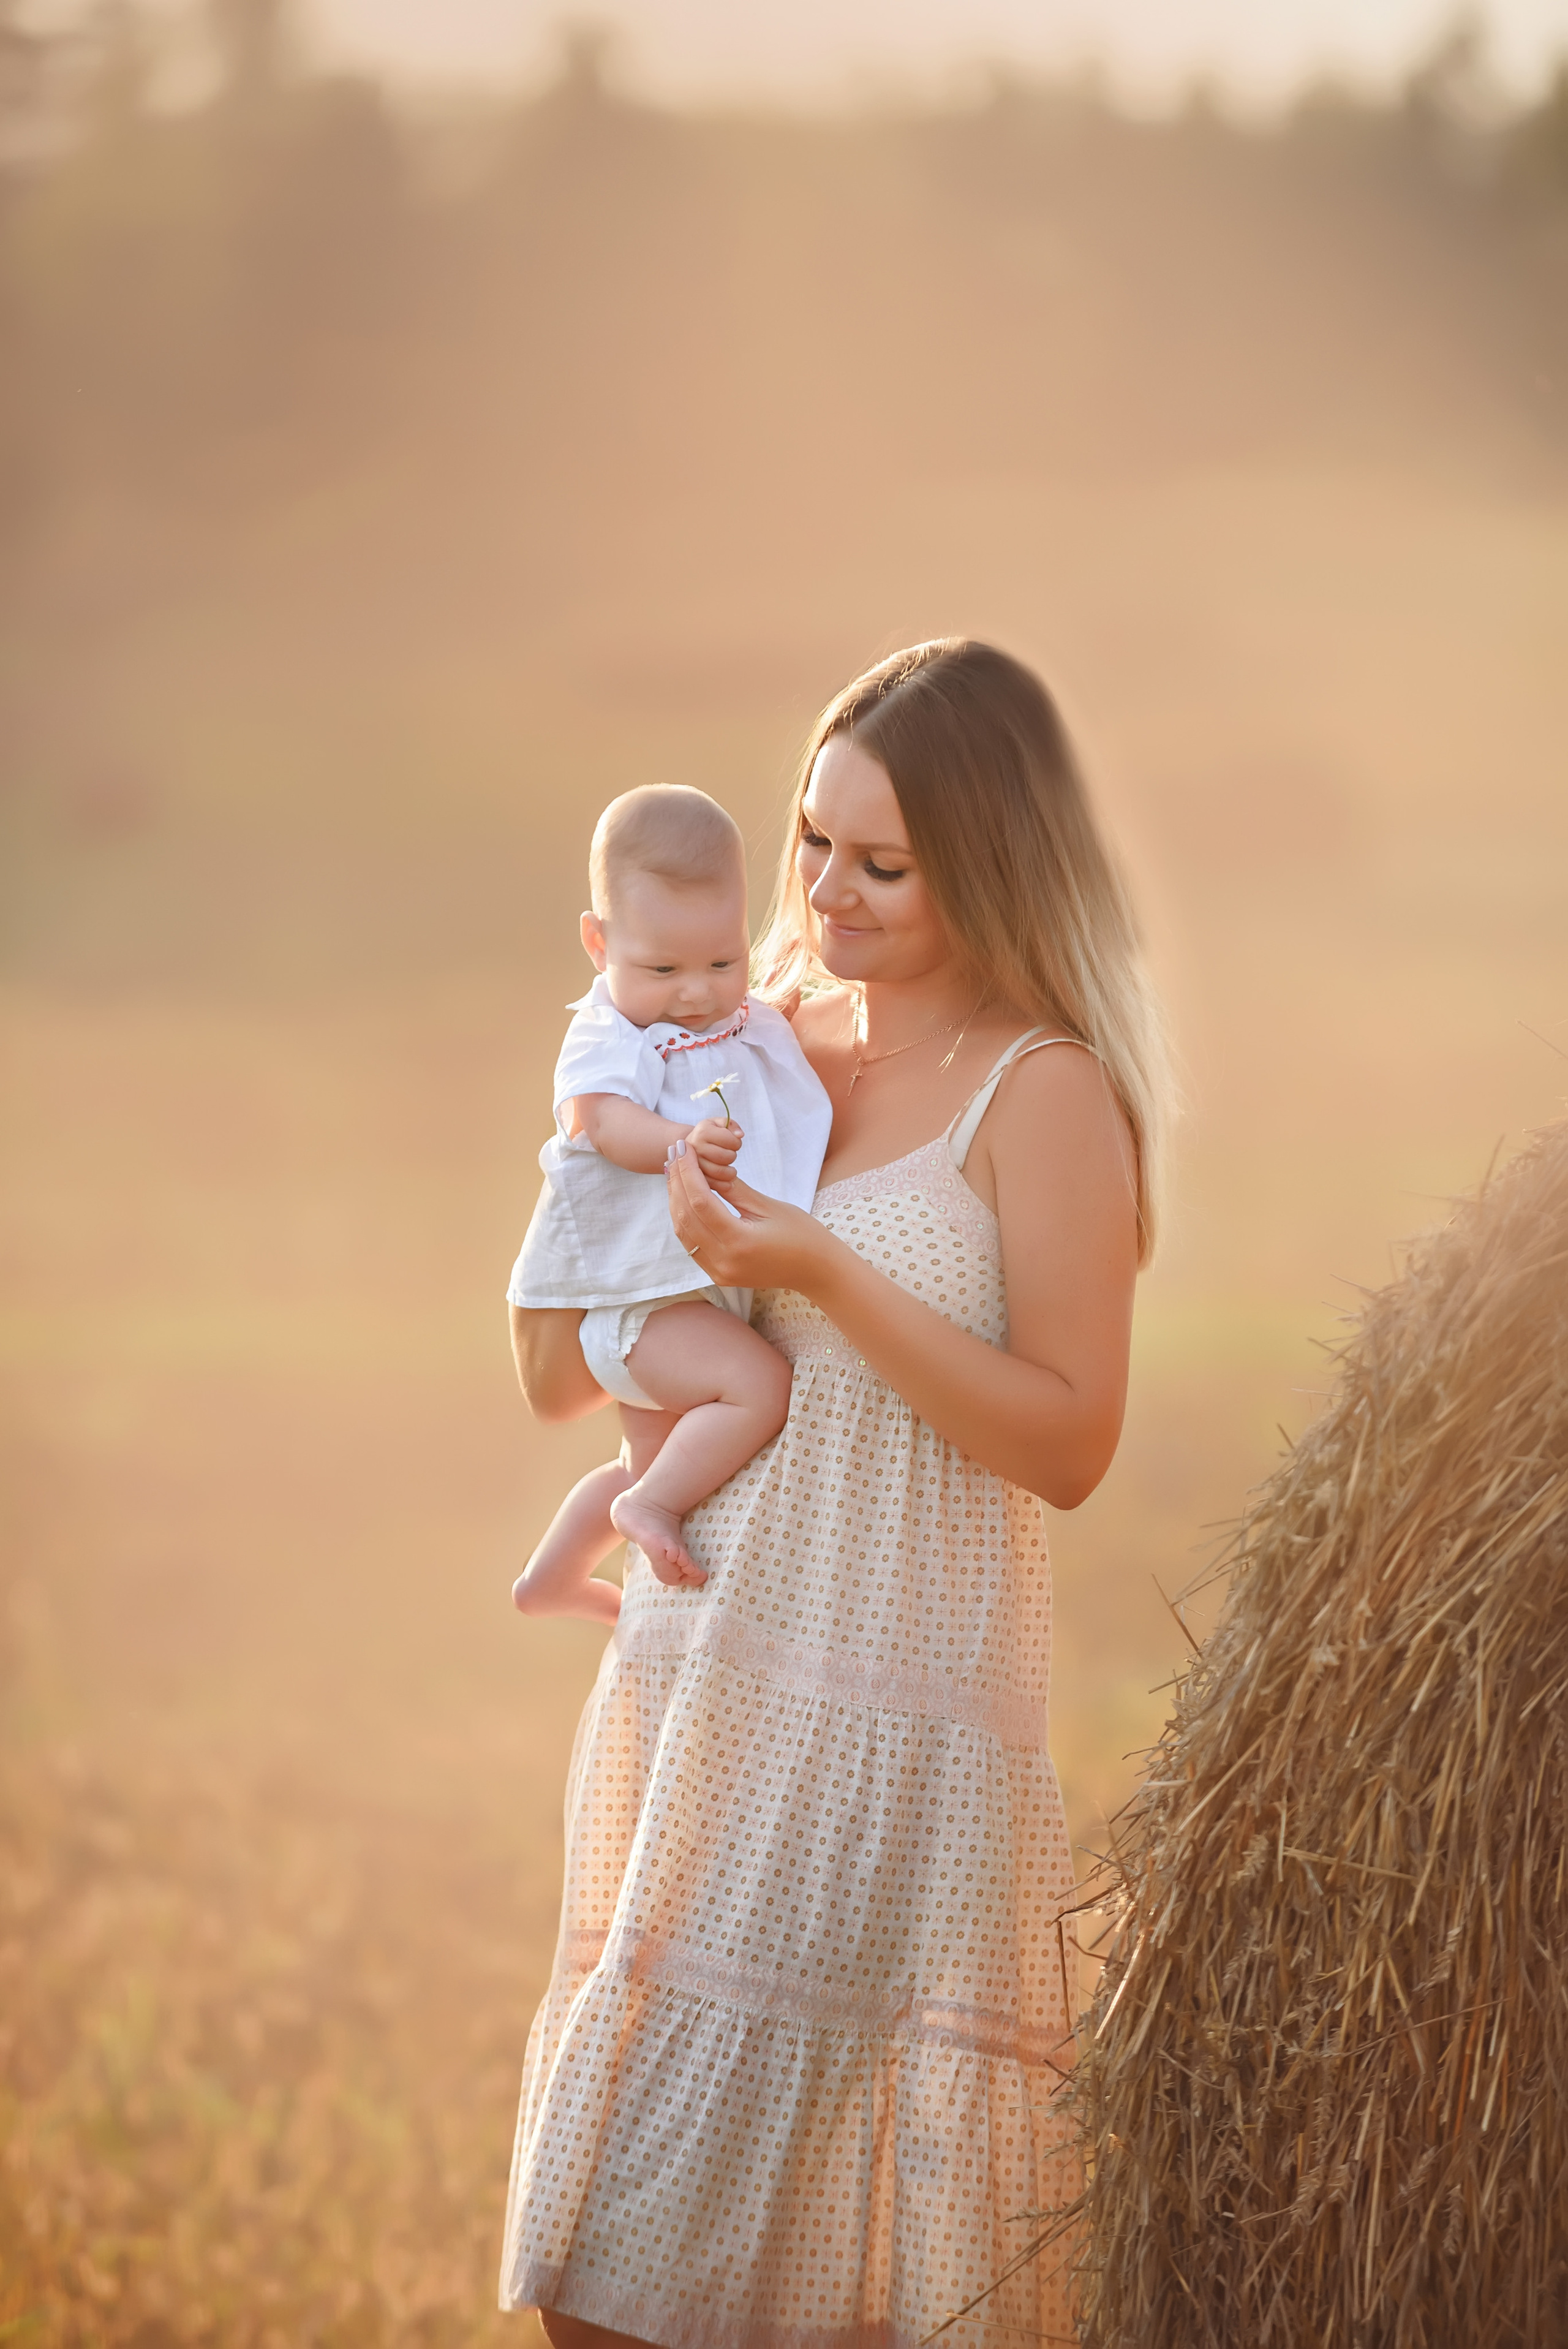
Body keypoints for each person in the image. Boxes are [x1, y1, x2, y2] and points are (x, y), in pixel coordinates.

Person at [500, 640, 1172, 2349]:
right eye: (813, 841)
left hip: (894, 1715)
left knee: (799, 2283)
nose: (827, 891)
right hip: (710, 1673)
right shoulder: (751, 1043)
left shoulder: (1047, 1094)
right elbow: (568, 1366)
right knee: (614, 2269)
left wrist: (824, 1268)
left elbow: (1074, 1442)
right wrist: (586, 1215)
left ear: (996, 858)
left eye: (884, 862)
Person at [507, 784, 832, 1610]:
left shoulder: (738, 1021)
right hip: (634, 1307)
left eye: (722, 962)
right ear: (598, 940)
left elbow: (774, 1052)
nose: (694, 992)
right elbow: (605, 1122)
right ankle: (647, 1510)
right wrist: (679, 1142)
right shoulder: (610, 1032)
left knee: (645, 1458)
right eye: (664, 968)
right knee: (759, 1388)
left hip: (676, 1300)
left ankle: (552, 1576)